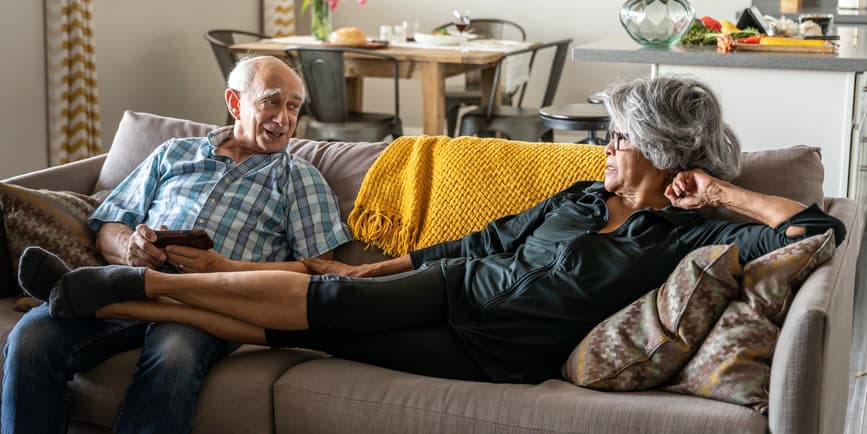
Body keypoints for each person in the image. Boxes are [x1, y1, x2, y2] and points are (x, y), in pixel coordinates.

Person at [16, 75, 846, 387]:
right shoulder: (582, 198)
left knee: (308, 327)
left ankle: (119, 295)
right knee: (332, 302)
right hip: (454, 285)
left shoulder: (685, 238)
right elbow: (480, 244)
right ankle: (133, 288)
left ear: (666, 158)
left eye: (620, 139)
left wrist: (724, 195)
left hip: (500, 349)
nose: (604, 146)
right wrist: (387, 268)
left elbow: (816, 232)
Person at [2, 56, 352, 434]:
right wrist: (128, 246)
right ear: (235, 103)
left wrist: (219, 268)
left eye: (293, 107)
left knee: (174, 356)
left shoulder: (299, 177)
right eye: (270, 101)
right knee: (33, 336)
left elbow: (316, 274)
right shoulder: (175, 153)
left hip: (210, 302)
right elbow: (109, 223)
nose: (283, 119)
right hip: (128, 282)